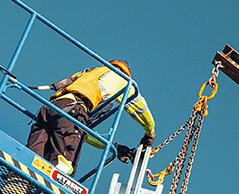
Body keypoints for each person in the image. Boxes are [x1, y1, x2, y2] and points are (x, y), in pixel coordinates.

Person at [27, 60, 155, 175]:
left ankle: (15, 189)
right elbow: (140, 108)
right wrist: (150, 133)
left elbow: (83, 132)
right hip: (73, 110)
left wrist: (113, 147)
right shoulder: (120, 78)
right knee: (62, 167)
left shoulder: (89, 74)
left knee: (31, 160)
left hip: (50, 109)